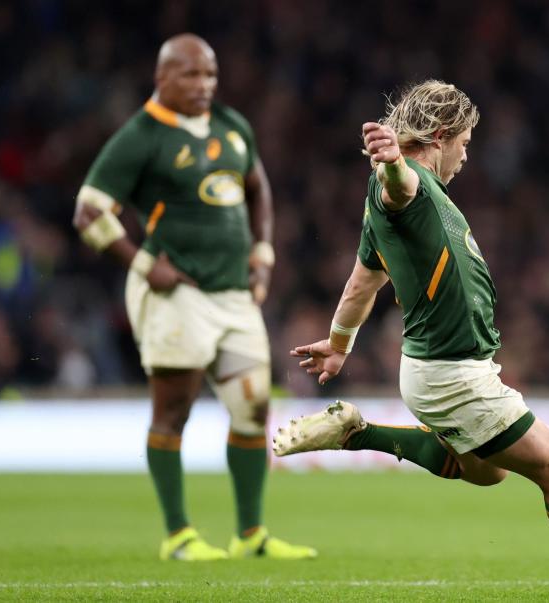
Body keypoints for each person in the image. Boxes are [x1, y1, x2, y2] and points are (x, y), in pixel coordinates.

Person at [274, 80, 549, 598]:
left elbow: (361, 283)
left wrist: (338, 345)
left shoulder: (408, 207)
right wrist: (394, 162)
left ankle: (357, 432)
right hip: (451, 373)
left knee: (487, 473)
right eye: (465, 143)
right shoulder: (408, 190)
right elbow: (398, 185)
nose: (466, 156)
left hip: (441, 369)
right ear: (440, 136)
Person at [73, 33, 315, 562]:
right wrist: (142, 262)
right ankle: (178, 535)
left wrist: (263, 253)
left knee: (252, 409)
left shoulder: (231, 126)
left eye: (209, 75)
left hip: (233, 294)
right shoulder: (141, 136)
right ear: (162, 78)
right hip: (177, 295)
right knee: (174, 411)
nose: (204, 85)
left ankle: (250, 535)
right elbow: (88, 212)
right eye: (191, 74)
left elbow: (258, 187)